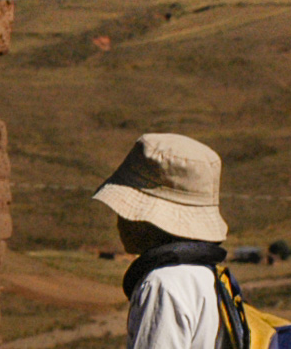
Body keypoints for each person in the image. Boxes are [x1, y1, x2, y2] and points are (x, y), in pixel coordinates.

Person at [93, 133, 230, 349]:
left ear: (148, 221)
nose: (119, 220)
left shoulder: (162, 284)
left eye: (125, 210)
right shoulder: (206, 275)